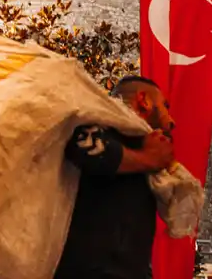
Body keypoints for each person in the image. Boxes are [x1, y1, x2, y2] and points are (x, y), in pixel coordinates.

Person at [53, 75, 175, 279]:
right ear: (144, 101)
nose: (172, 120)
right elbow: (82, 147)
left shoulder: (139, 147)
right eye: (165, 106)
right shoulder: (97, 123)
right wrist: (147, 158)